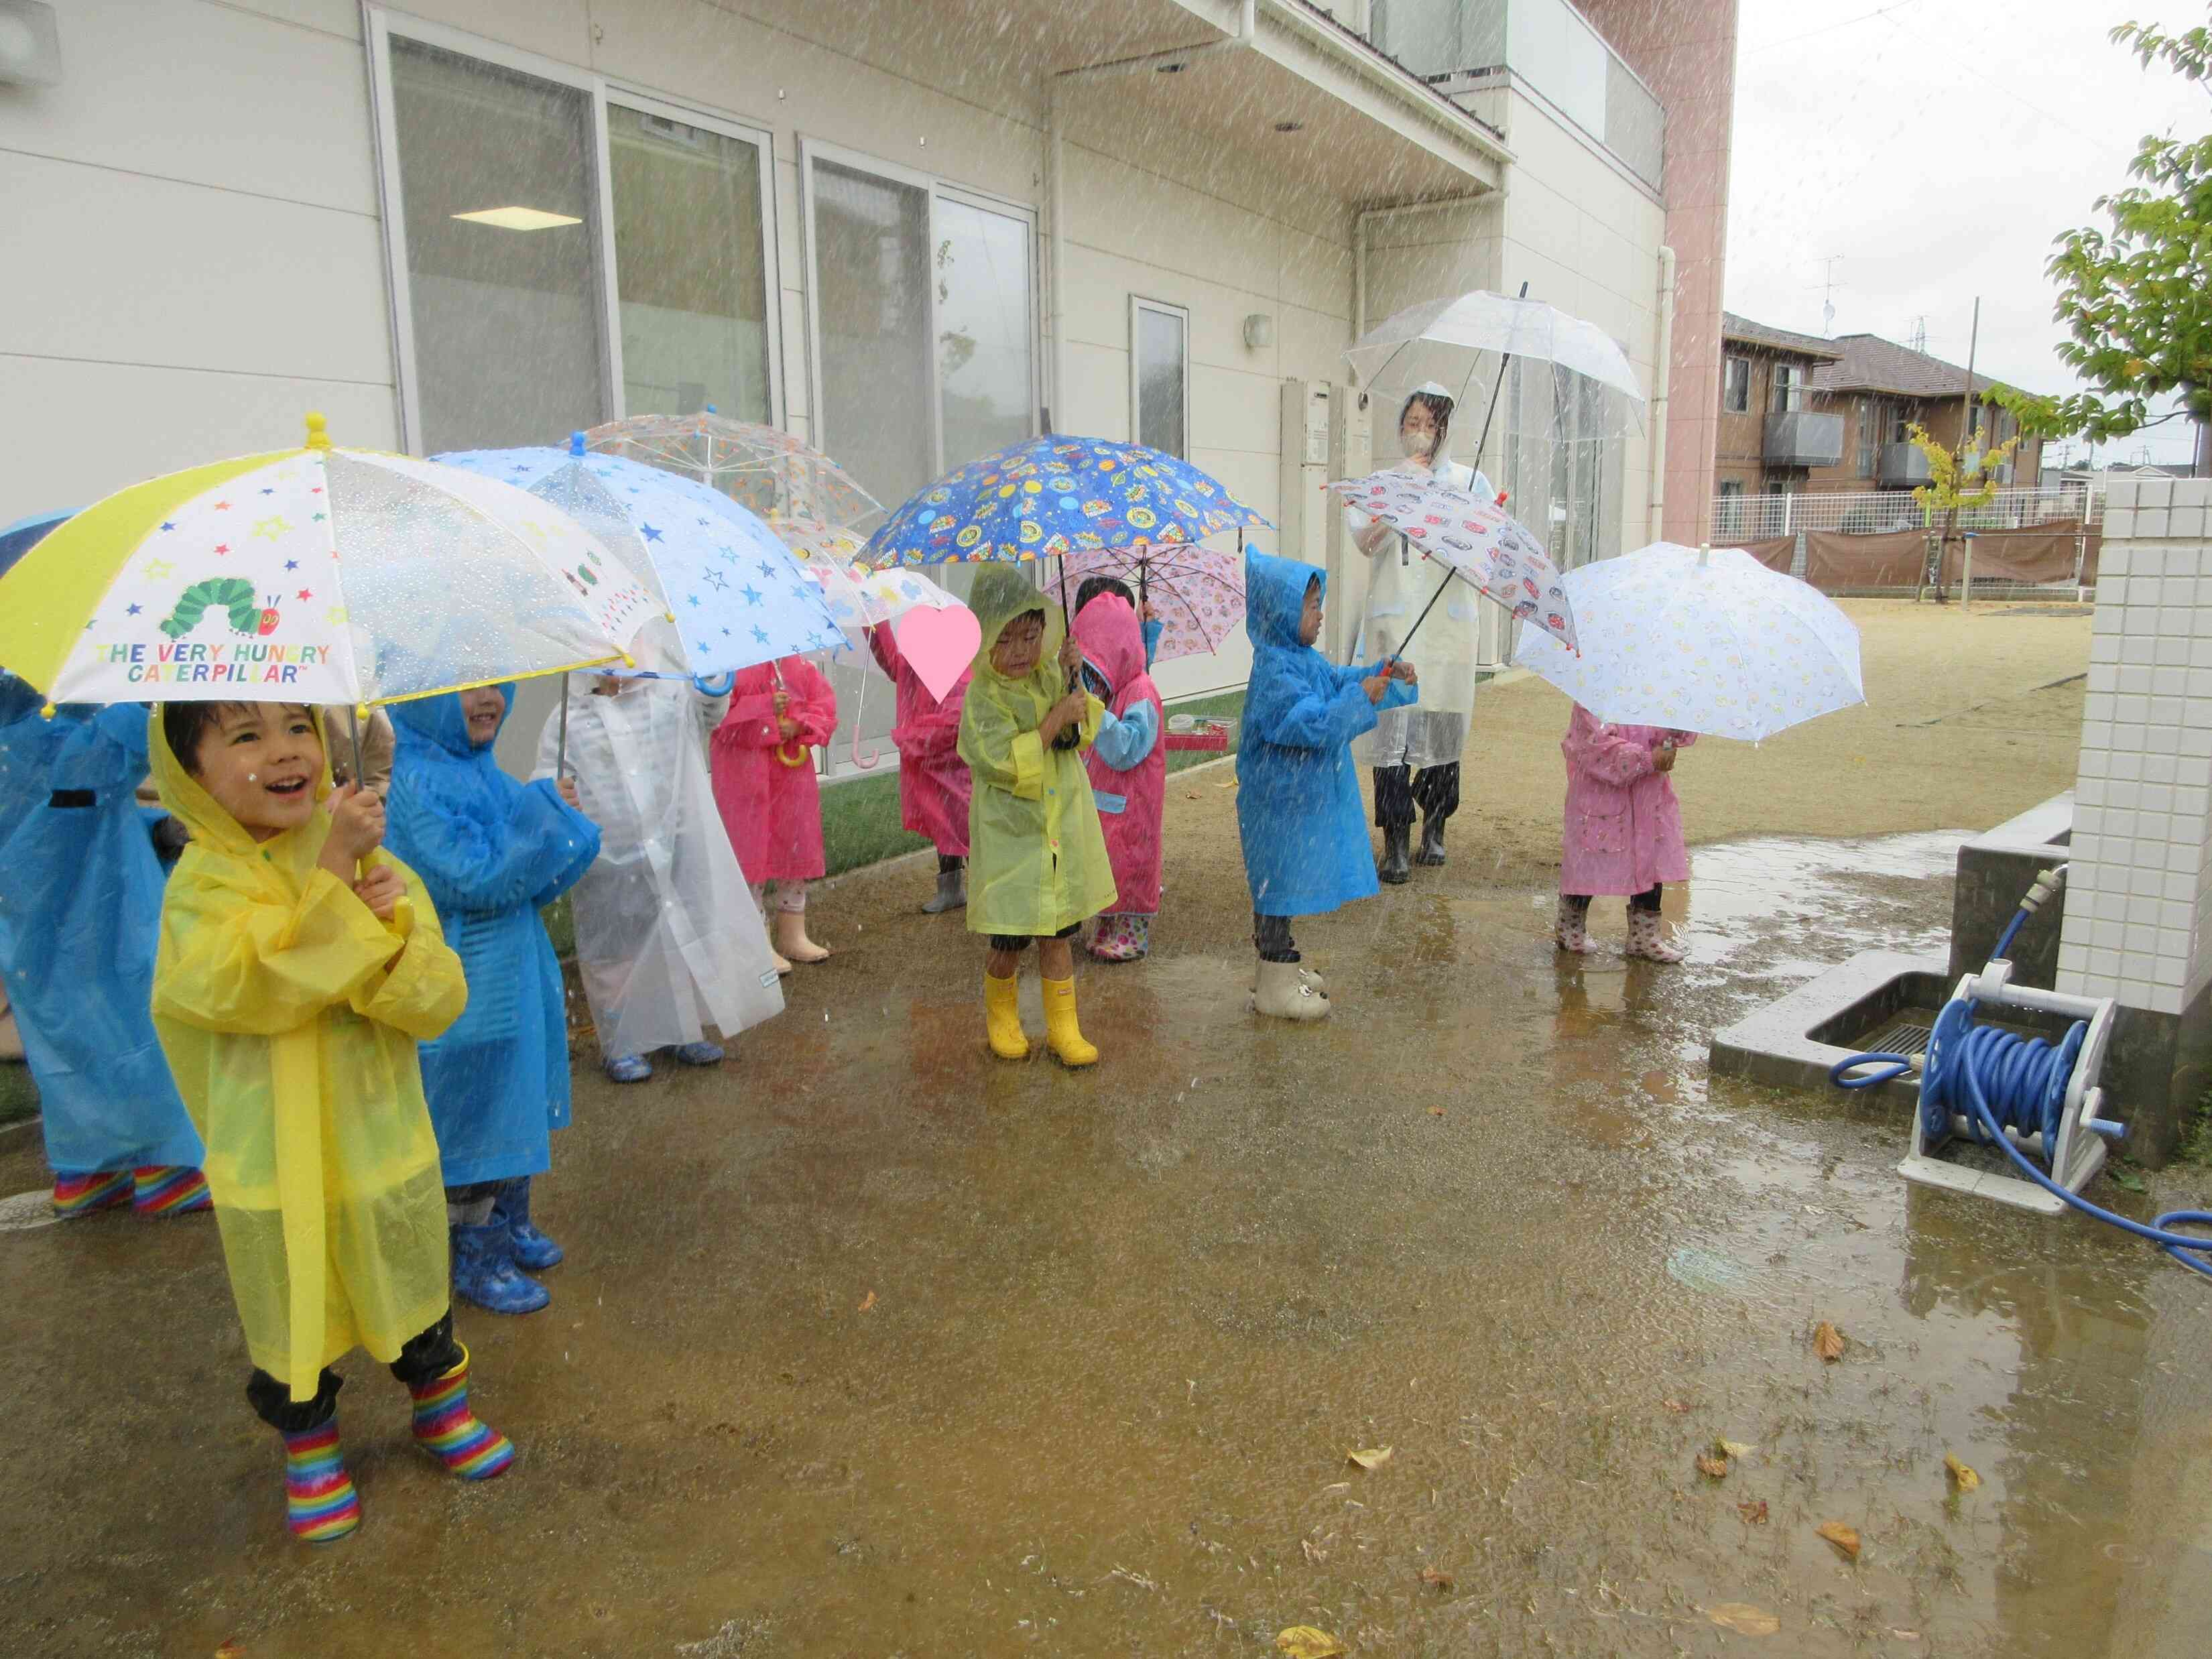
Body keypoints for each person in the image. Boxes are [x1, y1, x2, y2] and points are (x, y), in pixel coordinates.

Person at [148, 702, 511, 1545]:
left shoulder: (368, 854)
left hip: (377, 1131)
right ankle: (309, 1447)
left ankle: (439, 1406)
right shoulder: (203, 885)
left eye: (298, 728)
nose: (285, 754)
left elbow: (437, 999)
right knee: (291, 1302)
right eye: (245, 737)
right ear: (189, 775)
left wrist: (388, 927)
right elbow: (248, 983)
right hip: (272, 1149)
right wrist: (333, 883)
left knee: (408, 1270)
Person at [384, 686, 600, 1316]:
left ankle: (508, 1221)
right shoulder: (417, 780)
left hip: (510, 970)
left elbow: (531, 875)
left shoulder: (479, 768)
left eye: (495, 685)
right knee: (475, 1112)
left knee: (513, 1098)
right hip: (466, 977)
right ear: (422, 697)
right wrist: (539, 814)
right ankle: (474, 1251)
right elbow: (476, 877)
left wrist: (552, 818)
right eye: (465, 689)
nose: (489, 700)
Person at [0, 678, 208, 1217]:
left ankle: (88, 1168)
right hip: (105, 920)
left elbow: (67, 814)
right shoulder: (52, 740)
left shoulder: (24, 744)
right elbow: (91, 781)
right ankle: (167, 1166)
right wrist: (142, 688)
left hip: (34, 936)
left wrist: (152, 830)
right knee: (139, 1029)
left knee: (67, 1041)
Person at [536, 673, 784, 1084]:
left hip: (675, 842)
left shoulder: (669, 695)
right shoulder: (568, 717)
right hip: (608, 860)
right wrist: (551, 793)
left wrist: (713, 682)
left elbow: (708, 714)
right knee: (616, 953)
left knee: (679, 939)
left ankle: (682, 1030)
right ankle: (621, 1042)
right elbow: (549, 771)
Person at [1237, 551, 1416, 1020]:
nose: (1321, 613)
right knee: (1275, 892)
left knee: (1283, 886)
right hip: (1276, 803)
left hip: (1289, 802)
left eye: (1319, 602)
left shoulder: (1299, 658)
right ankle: (1274, 982)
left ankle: (1279, 966)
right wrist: (1360, 700)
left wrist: (1379, 676)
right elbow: (1309, 723)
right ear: (1280, 613)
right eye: (1312, 605)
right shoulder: (1276, 669)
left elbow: (1336, 682)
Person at [959, 566, 1115, 1066]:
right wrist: (1053, 720)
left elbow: (1083, 726)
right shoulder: (982, 696)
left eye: (1032, 636)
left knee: (1058, 931)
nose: (1024, 650)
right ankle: (1002, 1016)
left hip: (1057, 828)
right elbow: (1002, 760)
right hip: (1013, 837)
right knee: (1009, 937)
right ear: (987, 640)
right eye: (1010, 640)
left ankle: (1064, 1027)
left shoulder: (1048, 672)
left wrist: (1076, 672)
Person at [1347, 383, 1495, 883]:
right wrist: (1400, 502)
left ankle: (1435, 824)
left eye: (1431, 424)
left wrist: (1464, 518)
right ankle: (1395, 842)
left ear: (1445, 431)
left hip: (1448, 631)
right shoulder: (1382, 483)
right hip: (1395, 626)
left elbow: (1483, 553)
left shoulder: (1470, 483)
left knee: (1441, 731)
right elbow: (1366, 542)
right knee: (1391, 737)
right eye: (1412, 422)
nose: (1421, 432)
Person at [711, 656, 838, 971]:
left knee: (793, 849)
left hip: (791, 780)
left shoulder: (797, 664)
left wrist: (798, 724)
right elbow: (717, 719)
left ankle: (792, 933)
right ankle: (755, 942)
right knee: (749, 857)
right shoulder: (726, 665)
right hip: (744, 780)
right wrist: (765, 715)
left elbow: (824, 705)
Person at [1556, 707, 1695, 963]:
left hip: (1649, 794)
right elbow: (1594, 745)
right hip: (1601, 796)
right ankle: (1571, 927)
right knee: (1589, 861)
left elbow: (1663, 732)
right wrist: (1646, 759)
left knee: (1651, 860)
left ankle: (1644, 937)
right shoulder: (1593, 697)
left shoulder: (1656, 696)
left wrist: (1670, 737)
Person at [1070, 590, 1165, 962]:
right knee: (1109, 861)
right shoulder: (1115, 688)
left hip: (1134, 803)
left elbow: (1127, 749)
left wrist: (1096, 712)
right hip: (1110, 801)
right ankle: (1110, 924)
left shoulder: (1141, 690)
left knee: (1133, 863)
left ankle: (1134, 931)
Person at [866, 622, 974, 915]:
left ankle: (985, 889)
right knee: (943, 825)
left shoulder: (963, 671)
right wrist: (874, 620)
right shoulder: (912, 665)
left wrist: (923, 737)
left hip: (957, 764)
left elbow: (961, 716)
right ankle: (951, 890)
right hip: (930, 761)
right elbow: (890, 660)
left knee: (969, 826)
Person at [1074, 574, 1164, 668]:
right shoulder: (1075, 662)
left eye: (1128, 611)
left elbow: (1138, 666)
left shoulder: (1123, 664)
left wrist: (1145, 630)